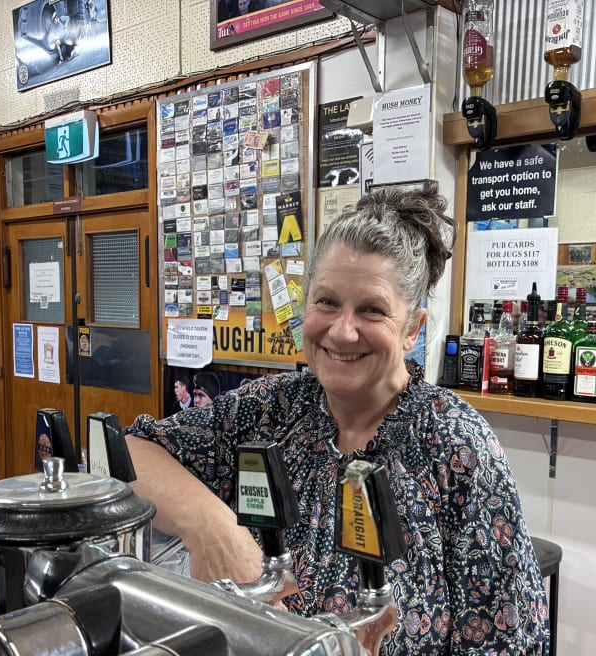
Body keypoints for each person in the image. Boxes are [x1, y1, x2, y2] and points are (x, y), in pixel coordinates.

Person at [125, 184, 549, 654]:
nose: (343, 332)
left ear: (412, 329)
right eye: (327, 302)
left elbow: (509, 640)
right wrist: (210, 525)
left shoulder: (454, 444)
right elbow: (129, 453)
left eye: (372, 310)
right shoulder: (271, 409)